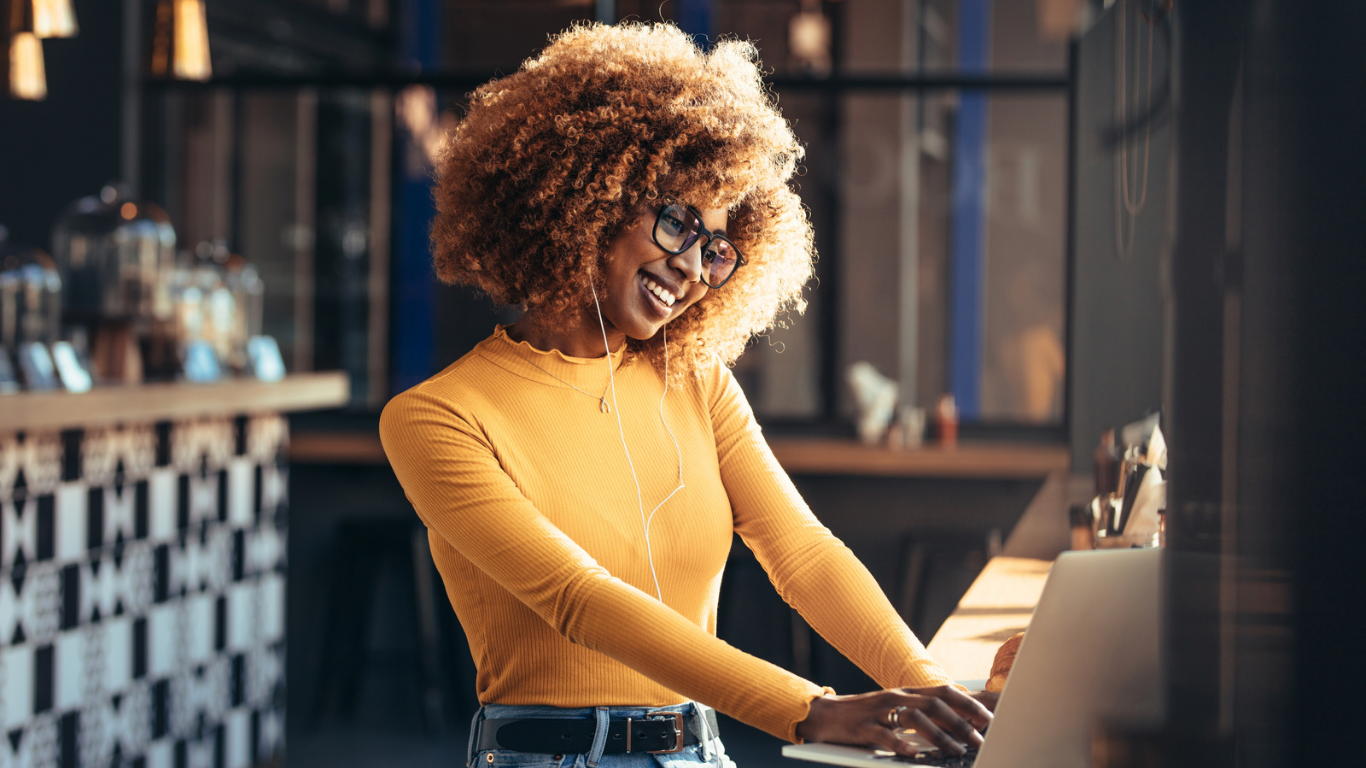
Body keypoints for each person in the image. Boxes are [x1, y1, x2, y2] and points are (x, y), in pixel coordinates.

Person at [380, 21, 994, 768]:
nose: (695, 269)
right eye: (677, 221)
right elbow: (579, 599)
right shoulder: (438, 417)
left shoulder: (697, 383)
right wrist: (809, 710)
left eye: (716, 247)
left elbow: (801, 552)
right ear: (588, 199)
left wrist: (934, 693)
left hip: (701, 751)